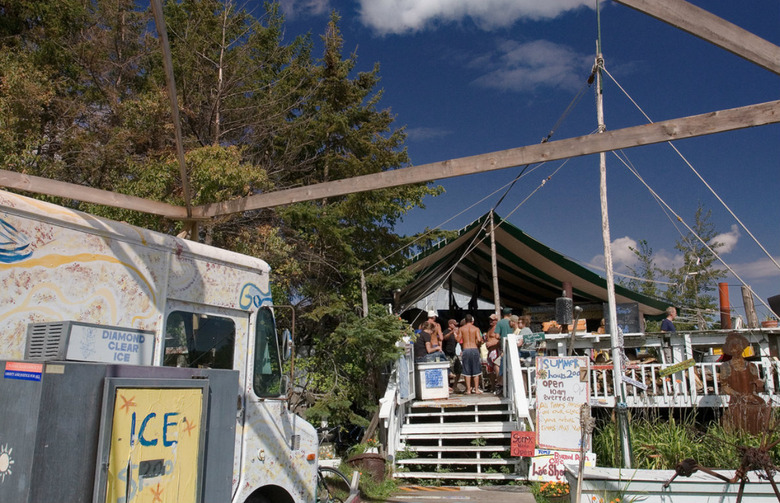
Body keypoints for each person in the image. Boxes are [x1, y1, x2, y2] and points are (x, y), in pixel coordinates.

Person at [458, 314, 483, 394]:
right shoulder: (476, 329)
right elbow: (479, 339)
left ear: (465, 321)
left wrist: (455, 335)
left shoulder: (461, 329)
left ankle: (468, 390)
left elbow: (458, 339)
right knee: (476, 369)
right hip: (474, 349)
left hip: (466, 349)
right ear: (472, 321)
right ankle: (476, 389)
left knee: (466, 370)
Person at [441, 319, 462, 392]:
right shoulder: (446, 331)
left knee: (459, 369)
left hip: (453, 353)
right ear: (450, 324)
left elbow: (458, 340)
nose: (456, 326)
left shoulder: (455, 333)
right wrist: (451, 332)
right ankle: (447, 386)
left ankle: (454, 385)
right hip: (447, 353)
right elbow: (444, 338)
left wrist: (456, 333)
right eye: (454, 324)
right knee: (448, 371)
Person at [484, 313, 500, 392]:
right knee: (490, 370)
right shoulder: (490, 329)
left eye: (493, 320)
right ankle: (493, 386)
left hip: (495, 350)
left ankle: (499, 385)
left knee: (496, 368)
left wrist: (492, 343)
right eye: (490, 320)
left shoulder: (497, 329)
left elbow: (500, 340)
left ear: (496, 321)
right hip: (490, 351)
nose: (491, 321)